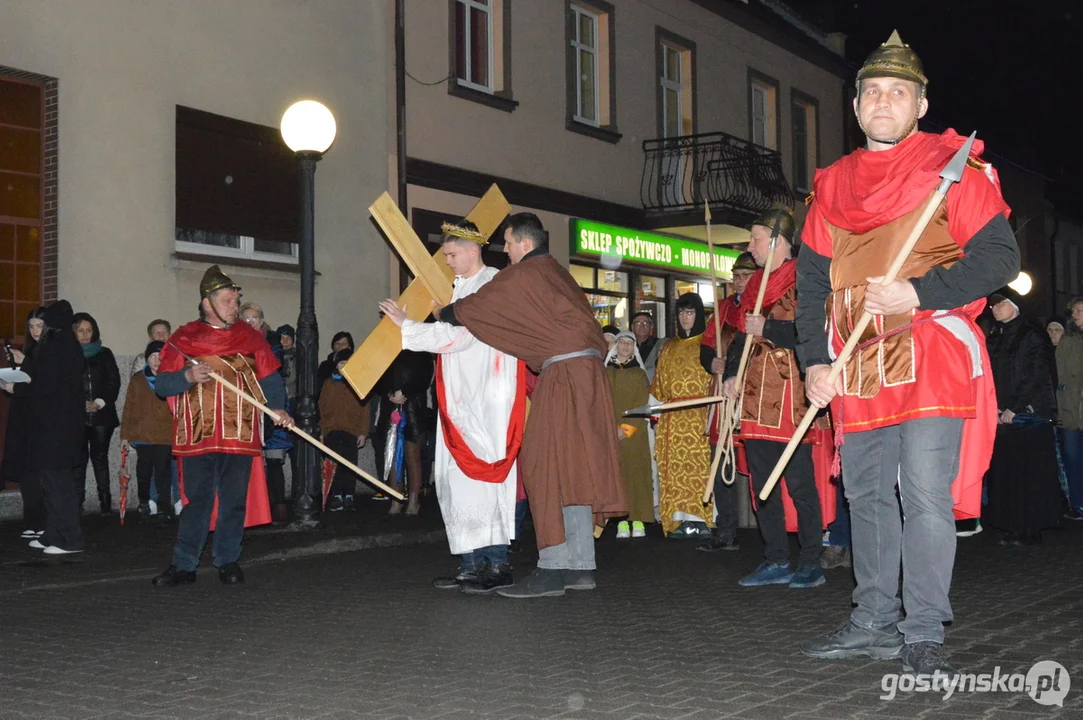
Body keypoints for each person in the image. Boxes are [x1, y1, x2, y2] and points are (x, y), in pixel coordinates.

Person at [794, 32, 1018, 677]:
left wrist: (918, 291)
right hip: (857, 356)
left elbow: (1001, 258)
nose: (883, 102)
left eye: (898, 92)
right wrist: (814, 360)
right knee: (865, 495)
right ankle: (872, 619)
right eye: (872, 92)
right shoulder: (832, 185)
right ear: (857, 107)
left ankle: (923, 627)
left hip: (930, 350)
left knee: (922, 493)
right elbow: (811, 284)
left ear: (920, 105)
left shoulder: (954, 168)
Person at [435, 212, 626, 598]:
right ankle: (581, 567)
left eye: (506, 243)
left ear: (524, 242)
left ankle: (554, 567)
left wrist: (443, 313)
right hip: (588, 376)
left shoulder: (525, 274)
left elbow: (478, 306)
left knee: (543, 465)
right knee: (577, 470)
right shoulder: (558, 272)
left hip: (565, 376)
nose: (503, 251)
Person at [380, 218, 522, 594]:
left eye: (453, 254)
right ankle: (471, 563)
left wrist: (408, 326)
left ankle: (497, 563)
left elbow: (461, 337)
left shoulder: (492, 285)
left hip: (487, 399)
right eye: (445, 255)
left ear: (474, 250)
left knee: (484, 481)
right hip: (459, 399)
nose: (448, 262)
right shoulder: (460, 286)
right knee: (453, 481)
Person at [151, 265, 291, 587]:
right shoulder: (183, 338)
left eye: (235, 300)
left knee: (233, 502)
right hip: (198, 436)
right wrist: (186, 377)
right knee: (196, 502)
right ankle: (184, 566)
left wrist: (279, 408)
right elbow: (162, 386)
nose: (234, 306)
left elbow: (270, 380)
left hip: (239, 435)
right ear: (207, 303)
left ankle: (228, 562)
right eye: (228, 300)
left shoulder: (251, 338)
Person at [721, 209, 825, 589]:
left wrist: (771, 328)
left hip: (789, 395)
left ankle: (811, 560)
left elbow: (815, 331)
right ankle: (776, 558)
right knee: (761, 482)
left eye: (756, 239)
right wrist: (732, 373)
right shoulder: (753, 289)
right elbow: (738, 337)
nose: (750, 247)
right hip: (753, 396)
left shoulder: (805, 278)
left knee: (799, 482)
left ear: (779, 241)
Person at [1, 300, 86, 554]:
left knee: (57, 486)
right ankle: (53, 533)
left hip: (54, 430)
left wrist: (14, 387)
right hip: (58, 428)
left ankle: (69, 539)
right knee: (53, 485)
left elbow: (46, 386)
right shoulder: (65, 345)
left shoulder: (55, 347)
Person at [983, 291, 1063, 544]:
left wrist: (1014, 407)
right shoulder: (996, 337)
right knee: (1008, 472)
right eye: (993, 306)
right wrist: (993, 406)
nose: (995, 309)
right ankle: (1010, 523)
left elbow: (1036, 373)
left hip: (1028, 415)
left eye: (1000, 304)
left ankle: (1030, 528)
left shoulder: (1032, 334)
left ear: (1014, 306)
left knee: (1029, 473)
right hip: (1001, 415)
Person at [698, 251, 757, 553]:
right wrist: (713, 364)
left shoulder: (763, 307)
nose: (738, 281)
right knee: (720, 460)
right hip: (723, 394)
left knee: (760, 461)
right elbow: (707, 347)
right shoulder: (721, 309)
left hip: (755, 393)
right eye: (736, 275)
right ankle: (726, 530)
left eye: (744, 275)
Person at [651, 292, 714, 539]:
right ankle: (679, 519)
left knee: (699, 468)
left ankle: (701, 519)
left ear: (698, 315)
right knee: (674, 469)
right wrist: (656, 417)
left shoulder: (708, 345)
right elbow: (658, 384)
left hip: (699, 415)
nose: (685, 318)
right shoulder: (668, 348)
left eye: (690, 313)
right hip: (673, 418)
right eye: (681, 313)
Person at [1, 307, 47, 538]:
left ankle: (43, 523)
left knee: (40, 472)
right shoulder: (31, 349)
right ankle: (32, 522)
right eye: (31, 326)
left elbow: (41, 381)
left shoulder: (50, 351)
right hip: (24, 417)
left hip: (41, 419)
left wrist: (26, 363)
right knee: (27, 471)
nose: (35, 331)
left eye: (39, 326)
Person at [119, 341, 175, 521]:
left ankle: (165, 506)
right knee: (143, 472)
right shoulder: (138, 379)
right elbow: (129, 407)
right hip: (142, 434)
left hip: (165, 435)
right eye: (152, 356)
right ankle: (144, 503)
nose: (156, 360)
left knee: (163, 473)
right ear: (146, 358)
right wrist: (125, 435)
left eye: (160, 356)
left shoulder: (171, 378)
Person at [605, 331, 653, 539]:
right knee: (617, 477)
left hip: (634, 434)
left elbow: (642, 403)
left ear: (634, 347)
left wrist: (626, 428)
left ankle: (639, 519)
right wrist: (609, 427)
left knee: (637, 476)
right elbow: (600, 401)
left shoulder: (639, 374)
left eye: (629, 343)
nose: (625, 346)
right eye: (622, 343)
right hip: (609, 432)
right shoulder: (605, 372)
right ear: (616, 346)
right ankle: (621, 521)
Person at [372, 349, 433, 516]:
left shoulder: (422, 352)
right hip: (391, 409)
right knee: (391, 456)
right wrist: (391, 393)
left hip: (413, 409)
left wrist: (404, 392)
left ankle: (414, 499)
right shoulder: (388, 350)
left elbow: (424, 379)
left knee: (412, 455)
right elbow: (379, 378)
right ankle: (395, 498)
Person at [72, 311, 121, 516]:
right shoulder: (67, 354)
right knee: (78, 458)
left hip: (102, 414)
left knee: (100, 458)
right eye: (81, 331)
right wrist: (79, 403)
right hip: (76, 414)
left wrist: (99, 402)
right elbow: (65, 384)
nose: (85, 335)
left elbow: (113, 382)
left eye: (89, 330)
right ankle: (77, 502)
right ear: (73, 332)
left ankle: (105, 502)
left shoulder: (104, 353)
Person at [318, 347, 370, 512]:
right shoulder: (329, 383)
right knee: (334, 463)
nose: (344, 366)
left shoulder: (358, 383)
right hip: (332, 429)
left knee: (349, 464)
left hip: (351, 430)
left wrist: (363, 431)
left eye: (348, 363)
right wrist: (323, 429)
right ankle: (336, 495)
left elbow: (365, 409)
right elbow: (322, 406)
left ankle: (349, 494)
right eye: (342, 363)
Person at [1056, 298, 1083, 520]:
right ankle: (1078, 503)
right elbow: (1060, 375)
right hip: (1071, 407)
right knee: (1072, 457)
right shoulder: (1068, 340)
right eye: (1074, 310)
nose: (1075, 314)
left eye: (1080, 310)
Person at [630, 311, 666, 382]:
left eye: (645, 323)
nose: (642, 326)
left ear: (651, 326)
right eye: (638, 323)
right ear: (632, 327)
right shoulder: (627, 345)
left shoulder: (659, 345)